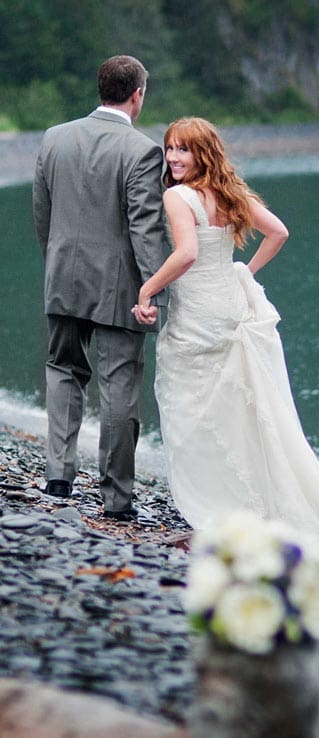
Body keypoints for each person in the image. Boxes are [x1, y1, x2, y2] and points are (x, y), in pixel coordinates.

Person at [133, 117, 319, 562]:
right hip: (229, 306)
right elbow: (278, 232)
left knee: (191, 408)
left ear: (202, 152)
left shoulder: (176, 195)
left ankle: (219, 504)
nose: (172, 158)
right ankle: (253, 504)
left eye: (182, 150)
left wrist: (148, 289)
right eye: (169, 149)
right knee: (237, 409)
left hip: (198, 314)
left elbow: (186, 253)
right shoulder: (230, 191)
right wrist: (245, 271)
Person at [33, 54, 167, 521]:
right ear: (137, 95)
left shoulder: (55, 138)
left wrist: (55, 263)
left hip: (62, 277)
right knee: (119, 388)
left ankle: (58, 475)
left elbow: (42, 214)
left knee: (63, 370)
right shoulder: (142, 151)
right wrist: (153, 292)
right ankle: (116, 499)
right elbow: (145, 229)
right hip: (119, 290)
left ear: (100, 88)